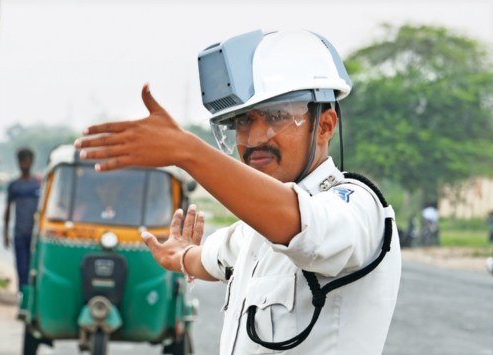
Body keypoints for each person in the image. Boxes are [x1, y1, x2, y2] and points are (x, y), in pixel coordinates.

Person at [75, 29, 401, 354]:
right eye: (243, 121)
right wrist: (181, 256)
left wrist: (187, 151)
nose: (255, 138)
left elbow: (301, 225)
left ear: (326, 126)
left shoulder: (359, 208)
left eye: (276, 117)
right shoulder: (251, 233)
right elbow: (212, 257)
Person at [4, 148, 41, 292]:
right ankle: (23, 298)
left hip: (36, 234)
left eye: (27, 161)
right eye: (22, 162)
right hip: (19, 233)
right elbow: (8, 209)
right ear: (18, 163)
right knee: (22, 268)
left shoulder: (38, 183)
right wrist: (5, 233)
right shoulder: (14, 185)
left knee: (35, 267)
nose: (24, 165)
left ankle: (34, 297)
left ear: (31, 162)